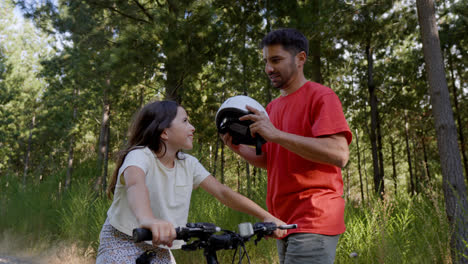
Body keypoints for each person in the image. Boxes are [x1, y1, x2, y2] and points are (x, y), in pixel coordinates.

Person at [96, 100, 287, 264]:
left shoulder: (188, 164)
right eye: (185, 121)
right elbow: (135, 185)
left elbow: (222, 192)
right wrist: (148, 220)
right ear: (164, 132)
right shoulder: (140, 156)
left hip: (159, 245)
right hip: (121, 240)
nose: (192, 128)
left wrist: (265, 216)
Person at [221, 28, 352, 264]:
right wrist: (239, 149)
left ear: (300, 58)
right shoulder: (270, 108)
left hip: (313, 218)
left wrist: (277, 134)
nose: (269, 69)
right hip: (282, 222)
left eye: (276, 60)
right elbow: (272, 160)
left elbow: (340, 154)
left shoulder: (321, 97)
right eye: (266, 61)